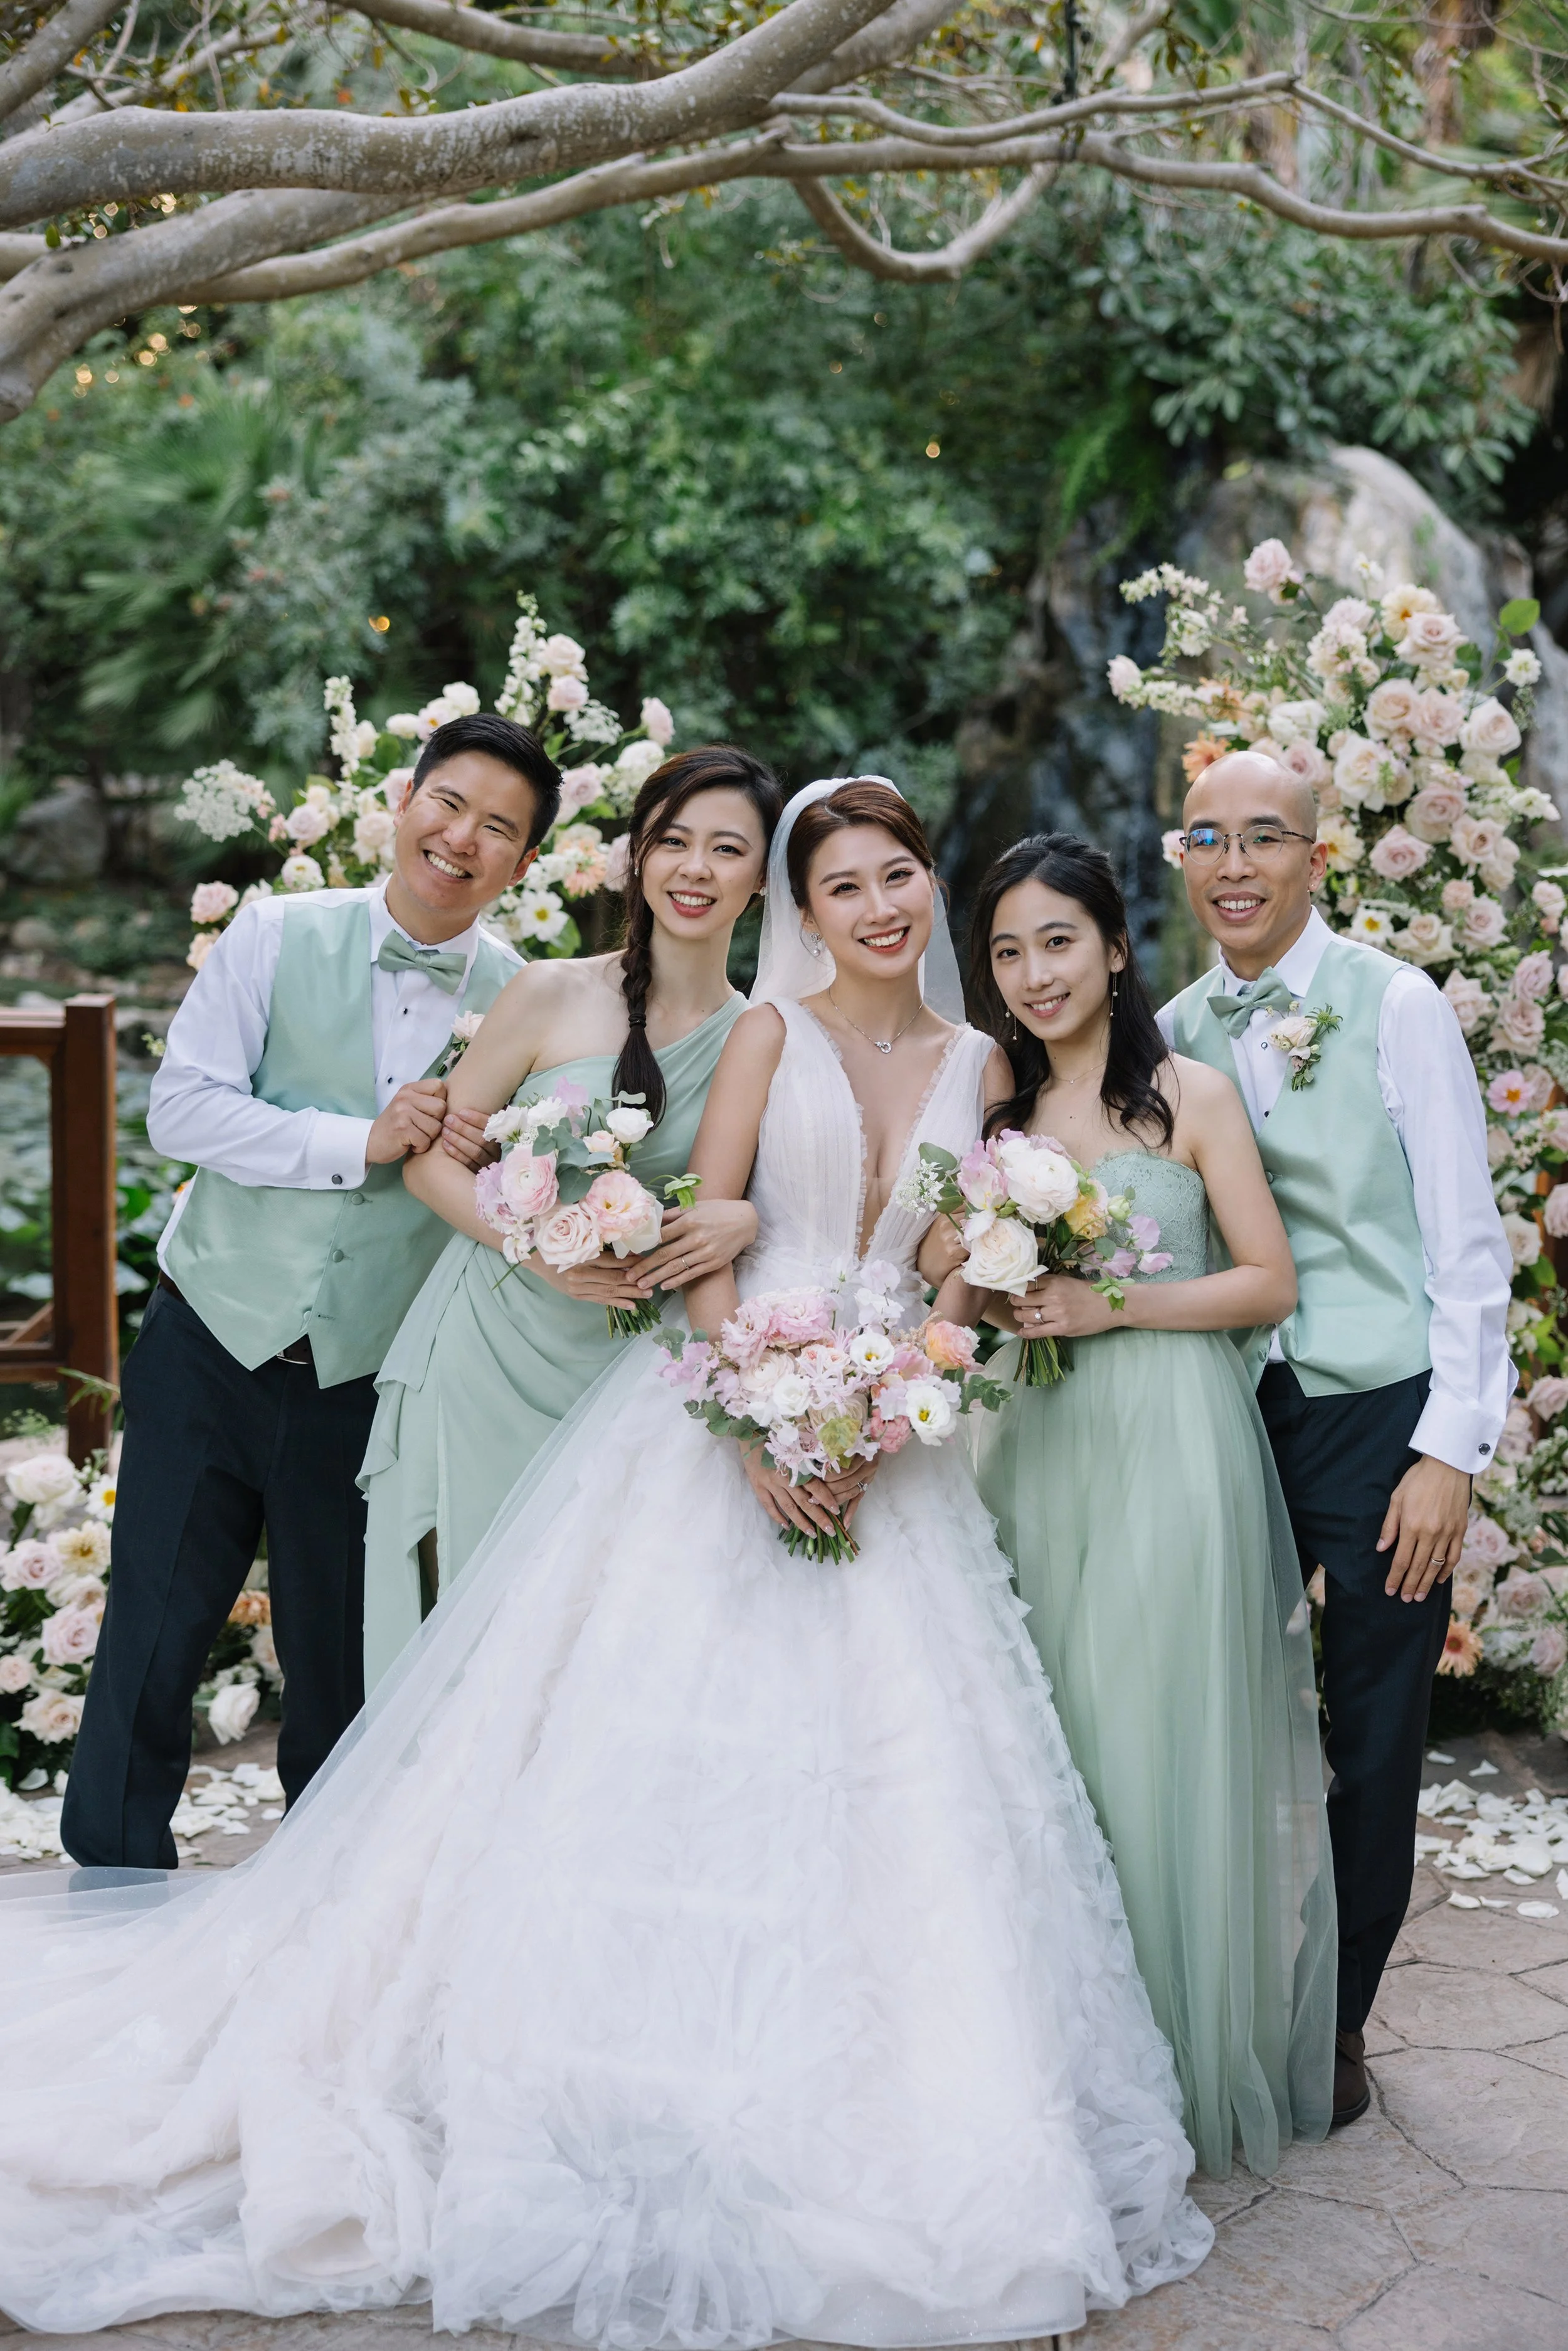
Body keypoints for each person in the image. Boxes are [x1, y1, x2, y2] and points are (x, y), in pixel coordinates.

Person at [0, 780, 1212, 2344]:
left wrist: (894, 1400)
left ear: (930, 889)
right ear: (804, 907)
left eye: (898, 875)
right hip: (715, 1431)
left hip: (887, 1446)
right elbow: (710, 1229)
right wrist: (759, 1419)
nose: (875, 907)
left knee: (905, 1796)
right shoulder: (764, 1036)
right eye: (839, 884)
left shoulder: (983, 1063)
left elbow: (953, 1263)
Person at [61, 712, 559, 1871]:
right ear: (403, 802)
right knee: (153, 1631)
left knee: (342, 1658)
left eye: (500, 829)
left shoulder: (524, 1000)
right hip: (212, 1334)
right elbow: (179, 1109)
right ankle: (113, 1876)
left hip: (369, 1378)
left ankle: (324, 1906)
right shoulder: (277, 933)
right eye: (450, 806)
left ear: (525, 864)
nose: (462, 841)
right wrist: (358, 1139)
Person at [928, 831, 1335, 2180]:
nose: (1032, 971)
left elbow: (1265, 1282)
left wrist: (1116, 1302)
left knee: (1157, 1729)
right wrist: (973, 1278)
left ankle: (1174, 2059)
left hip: (1170, 1433)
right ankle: (1070, 2065)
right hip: (1033, 1440)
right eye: (1004, 950)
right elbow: (971, 1305)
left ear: (1112, 945)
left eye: (1056, 940)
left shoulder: (1192, 1096)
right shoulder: (996, 1117)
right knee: (1056, 1737)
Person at [1158, 748, 1515, 2129]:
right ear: (1180, 856)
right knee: (1209, 1712)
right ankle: (1210, 1992)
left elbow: (1463, 1237)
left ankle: (1338, 2016)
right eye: (1208, 836)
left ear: (1317, 858)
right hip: (1230, 1404)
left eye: (1264, 837)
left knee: (1368, 1731)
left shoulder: (1395, 1000)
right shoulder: (1174, 1025)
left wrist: (1450, 1448)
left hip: (1378, 1411)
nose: (1234, 863)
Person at [359, 745, 781, 1685]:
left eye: (727, 849)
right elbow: (431, 1165)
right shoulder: (551, 990)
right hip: (491, 1346)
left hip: (631, 1368)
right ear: (637, 857)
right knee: (467, 1639)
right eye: (673, 842)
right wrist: (536, 1251)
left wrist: (743, 1222)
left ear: (760, 883)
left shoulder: (763, 1035)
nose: (696, 870)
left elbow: (760, 1200)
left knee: (597, 1646)